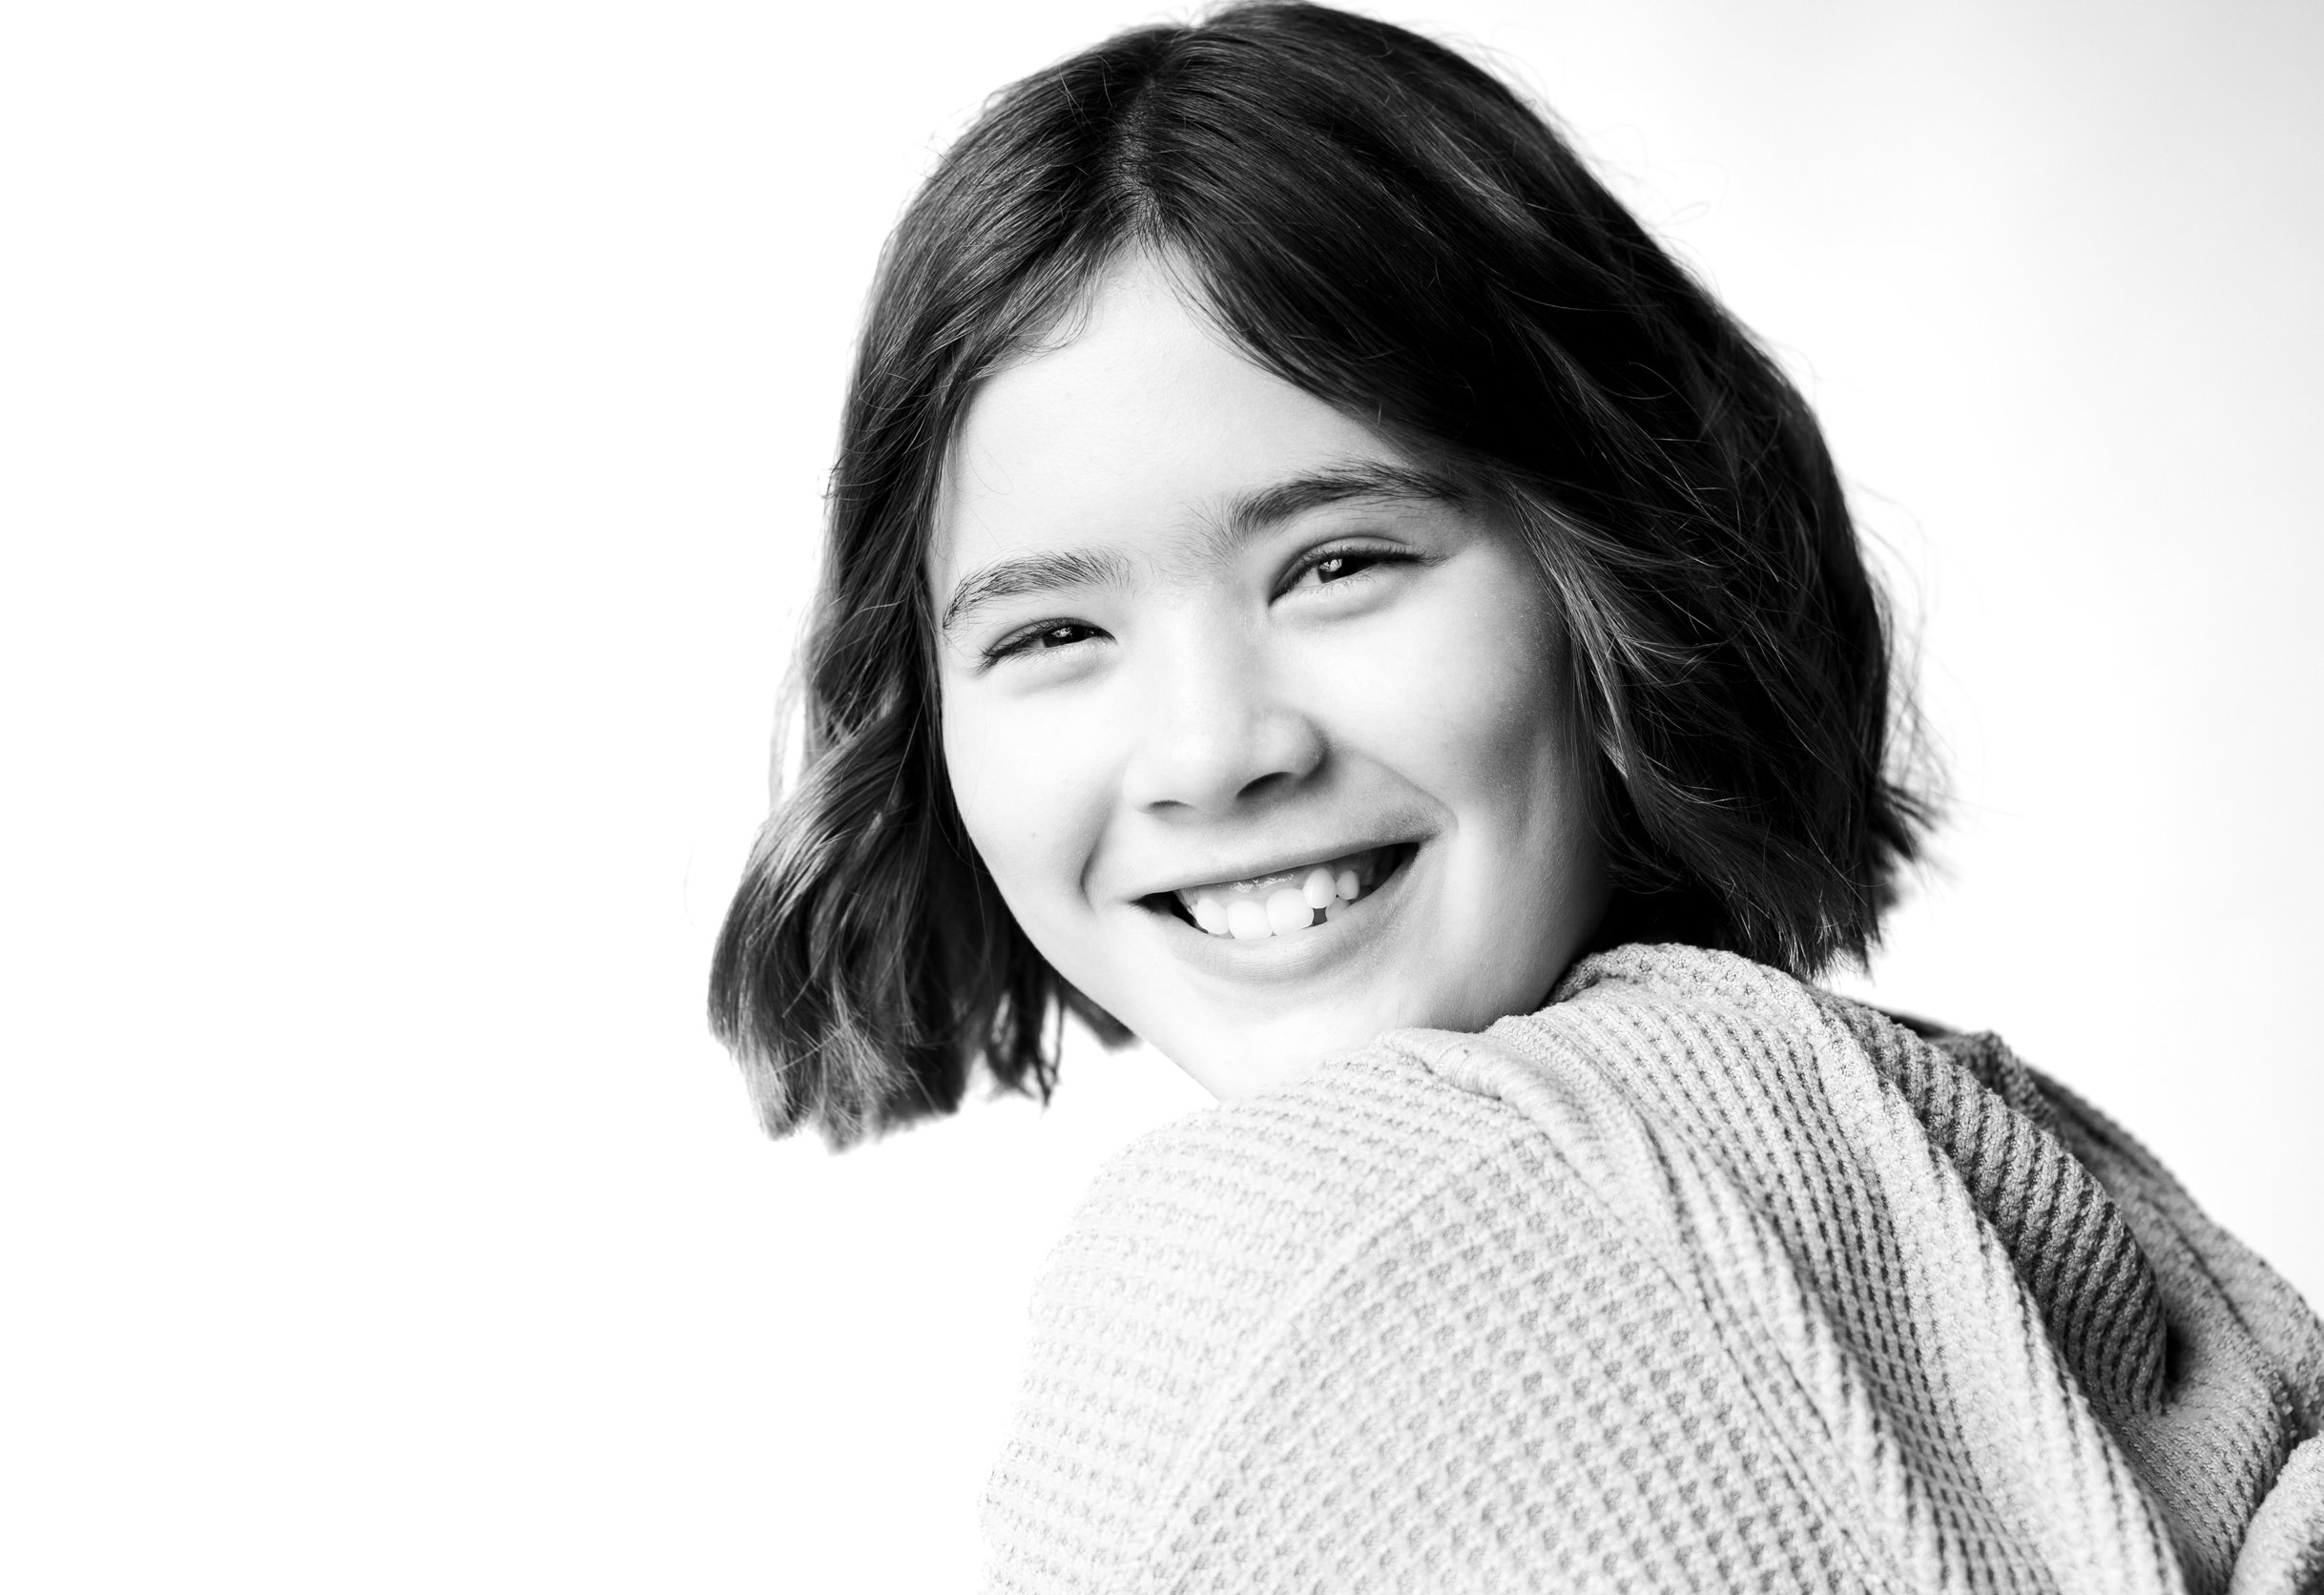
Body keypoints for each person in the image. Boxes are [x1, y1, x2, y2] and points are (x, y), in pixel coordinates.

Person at [710, 4, 2324, 1589]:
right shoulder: (1971, 1173)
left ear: (1614, 570)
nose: (1213, 751)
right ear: (925, 713)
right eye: (1054, 632)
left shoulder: (1303, 1273)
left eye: (1338, 564)